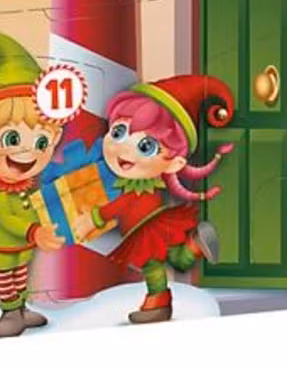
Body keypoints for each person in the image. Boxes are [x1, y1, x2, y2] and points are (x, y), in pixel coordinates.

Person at [72, 75, 234, 323]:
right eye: (118, 132)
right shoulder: (142, 183)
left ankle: (158, 301)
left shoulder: (136, 188)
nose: (124, 148)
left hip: (145, 229)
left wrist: (94, 218)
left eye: (146, 146)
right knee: (174, 255)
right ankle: (194, 246)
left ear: (175, 163)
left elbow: (118, 207)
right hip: (158, 223)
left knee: (151, 265)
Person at [0, 32, 66, 337]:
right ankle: (9, 311)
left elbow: (35, 205)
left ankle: (21, 308)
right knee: (7, 278)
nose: (28, 153)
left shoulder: (28, 186)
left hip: (25, 245)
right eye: (12, 138)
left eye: (42, 142)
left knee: (22, 275)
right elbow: (8, 218)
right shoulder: (0, 194)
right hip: (5, 245)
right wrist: (33, 231)